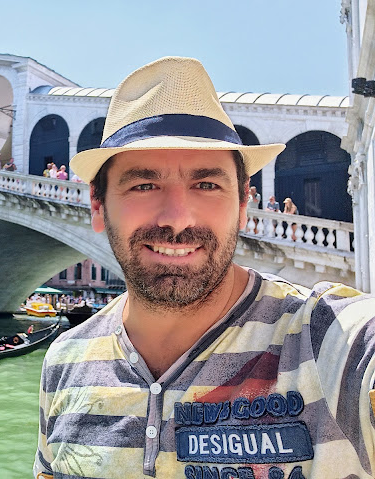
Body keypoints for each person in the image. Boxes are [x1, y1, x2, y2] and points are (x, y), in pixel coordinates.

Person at [34, 57, 375, 479]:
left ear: (243, 207)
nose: (177, 218)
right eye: (144, 184)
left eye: (207, 184)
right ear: (98, 206)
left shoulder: (328, 337)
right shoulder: (64, 360)